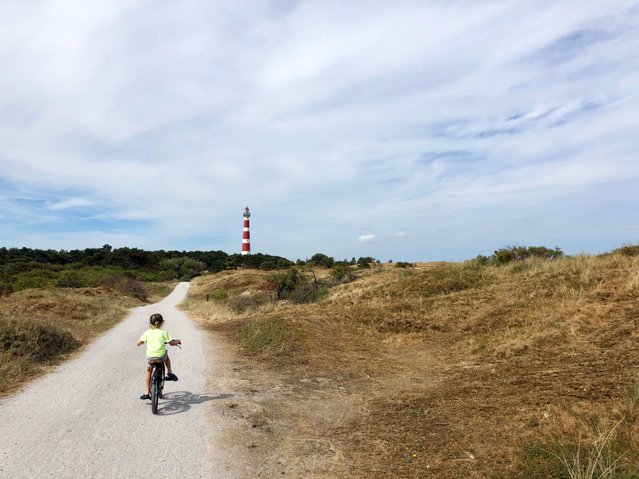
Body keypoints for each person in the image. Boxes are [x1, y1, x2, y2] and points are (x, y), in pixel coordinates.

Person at [136, 313, 181, 400]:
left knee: (149, 370)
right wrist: (177, 341)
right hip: (160, 358)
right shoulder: (164, 332)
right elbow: (171, 343)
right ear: (162, 322)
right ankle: (170, 372)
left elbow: (138, 343)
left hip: (150, 358)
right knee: (166, 355)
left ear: (150, 323)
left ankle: (146, 392)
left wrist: (143, 342)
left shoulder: (147, 332)